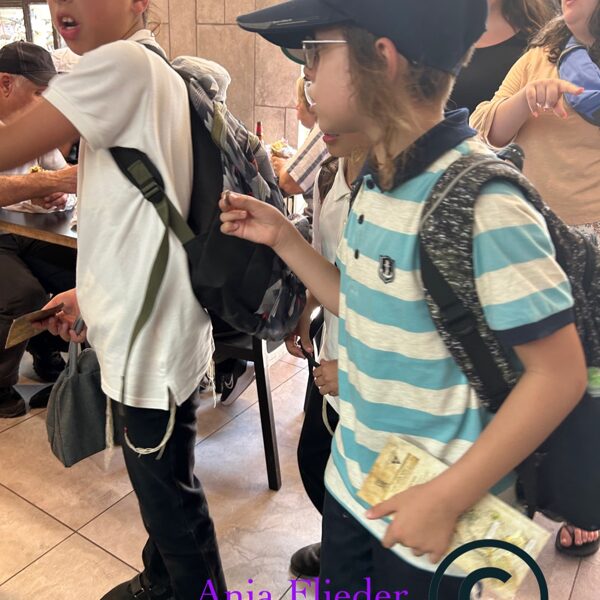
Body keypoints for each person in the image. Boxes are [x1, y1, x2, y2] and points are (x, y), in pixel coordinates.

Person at [230, 0, 588, 596]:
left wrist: (446, 497)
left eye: (316, 54)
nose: (307, 74)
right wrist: (283, 237)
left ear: (383, 59)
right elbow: (360, 300)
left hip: (440, 526)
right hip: (357, 485)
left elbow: (557, 375)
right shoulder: (379, 179)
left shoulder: (483, 202)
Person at [2, 1, 225, 598]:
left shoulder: (120, 63)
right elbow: (137, 214)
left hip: (149, 338)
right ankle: (160, 580)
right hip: (156, 322)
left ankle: (186, 588)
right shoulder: (149, 66)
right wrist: (88, 296)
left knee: (171, 501)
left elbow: (6, 147)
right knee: (164, 485)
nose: (63, 5)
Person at [471, 0, 600, 557]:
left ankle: (579, 492)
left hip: (593, 247)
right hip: (526, 237)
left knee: (586, 378)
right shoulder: (543, 52)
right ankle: (516, 486)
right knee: (518, 372)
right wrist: (527, 99)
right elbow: (485, 128)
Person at [287, 130, 368, 578]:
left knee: (365, 483)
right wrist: (305, 310)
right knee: (315, 457)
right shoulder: (328, 173)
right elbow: (326, 261)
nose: (319, 122)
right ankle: (340, 537)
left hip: (373, 375)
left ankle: (354, 551)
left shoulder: (400, 185)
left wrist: (355, 373)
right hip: (333, 354)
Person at [0, 41, 77, 419]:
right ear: (5, 84)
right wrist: (48, 183)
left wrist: (58, 193)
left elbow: (60, 176)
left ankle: (48, 352)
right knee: (23, 295)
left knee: (80, 273)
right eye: (39, 94)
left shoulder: (33, 129)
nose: (46, 105)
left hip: (23, 232)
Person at [271, 75, 329, 221]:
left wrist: (284, 166)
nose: (297, 106)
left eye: (300, 100)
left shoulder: (323, 129)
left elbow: (289, 182)